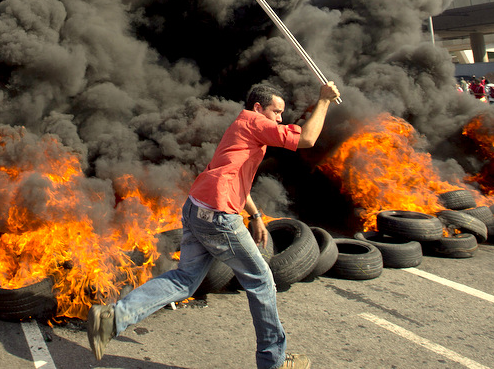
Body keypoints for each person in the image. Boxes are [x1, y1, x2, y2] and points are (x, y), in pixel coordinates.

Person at [86, 81, 341, 369]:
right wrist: (324, 100)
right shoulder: (254, 122)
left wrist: (255, 216)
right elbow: (306, 139)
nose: (280, 118)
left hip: (197, 209)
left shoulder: (241, 128)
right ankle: (274, 362)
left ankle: (111, 319)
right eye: (276, 111)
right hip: (218, 217)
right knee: (261, 281)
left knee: (184, 280)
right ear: (258, 108)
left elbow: (231, 177)